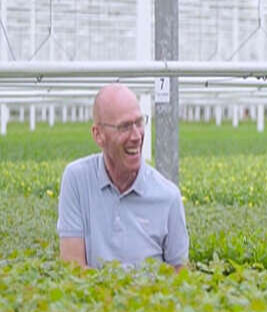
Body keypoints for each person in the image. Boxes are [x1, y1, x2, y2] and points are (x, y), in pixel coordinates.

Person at [57, 83, 189, 270]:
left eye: (139, 122)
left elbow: (180, 276)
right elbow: (72, 267)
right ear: (98, 135)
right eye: (125, 127)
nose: (136, 136)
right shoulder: (77, 180)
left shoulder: (168, 196)